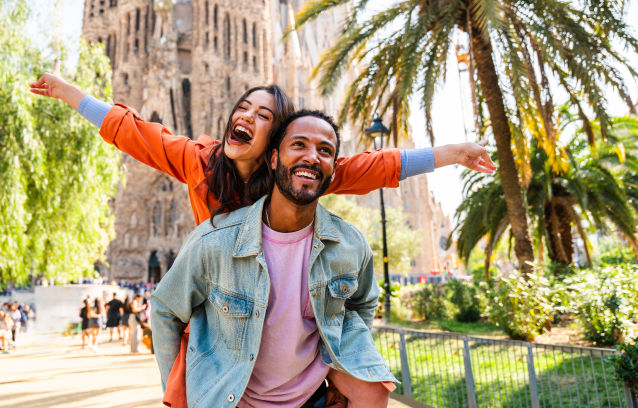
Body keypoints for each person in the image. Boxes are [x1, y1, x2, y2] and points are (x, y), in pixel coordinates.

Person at [30, 62, 496, 407]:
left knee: (371, 387)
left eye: (263, 115)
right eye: (243, 109)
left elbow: (372, 167)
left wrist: (451, 152)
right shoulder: (202, 162)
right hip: (227, 300)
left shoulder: (294, 174)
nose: (248, 117)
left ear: (274, 145)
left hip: (280, 305)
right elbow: (136, 135)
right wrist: (70, 93)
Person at [153, 109, 409, 407]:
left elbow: (363, 303)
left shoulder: (350, 244)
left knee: (375, 389)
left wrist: (345, 365)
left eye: (325, 150)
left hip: (313, 400)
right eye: (299, 144)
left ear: (333, 170)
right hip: (230, 400)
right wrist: (178, 396)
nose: (312, 157)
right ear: (274, 159)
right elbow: (164, 309)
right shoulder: (216, 241)